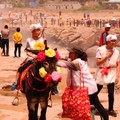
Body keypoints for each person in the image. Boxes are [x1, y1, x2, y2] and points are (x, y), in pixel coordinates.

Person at [57, 46, 109, 120]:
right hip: (88, 87)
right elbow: (65, 57)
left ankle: (105, 118)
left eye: (71, 53)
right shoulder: (75, 59)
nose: (69, 54)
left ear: (76, 55)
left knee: (89, 106)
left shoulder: (76, 62)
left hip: (87, 89)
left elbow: (64, 65)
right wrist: (55, 56)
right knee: (94, 105)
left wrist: (51, 62)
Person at [11, 23, 45, 90]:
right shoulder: (29, 41)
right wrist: (34, 56)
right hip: (32, 58)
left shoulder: (42, 39)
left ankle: (53, 87)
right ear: (32, 31)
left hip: (42, 59)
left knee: (51, 69)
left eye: (39, 30)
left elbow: (45, 49)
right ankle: (16, 83)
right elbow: (27, 52)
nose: (39, 32)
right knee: (20, 69)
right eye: (37, 30)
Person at [95, 34, 120, 117]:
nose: (113, 42)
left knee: (111, 92)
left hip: (111, 72)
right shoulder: (100, 49)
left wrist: (117, 76)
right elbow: (98, 62)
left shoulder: (116, 51)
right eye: (112, 41)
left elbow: (118, 64)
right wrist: (106, 56)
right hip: (102, 71)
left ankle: (111, 109)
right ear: (108, 41)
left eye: (114, 41)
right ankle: (92, 105)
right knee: (96, 90)